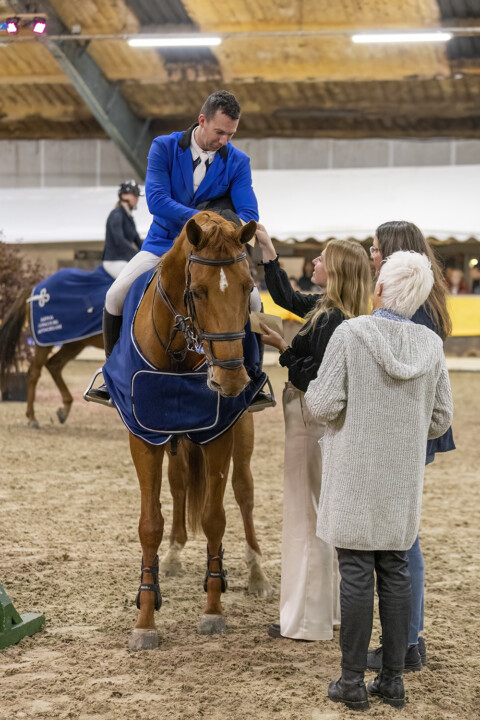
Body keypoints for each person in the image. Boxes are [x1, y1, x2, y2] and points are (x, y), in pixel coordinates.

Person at [305, 250, 453, 710]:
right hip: (400, 481)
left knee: (354, 573)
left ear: (381, 289)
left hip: (353, 474)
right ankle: (392, 680)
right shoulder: (431, 346)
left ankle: (351, 681)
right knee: (395, 569)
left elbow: (323, 405)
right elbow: (442, 417)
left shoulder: (352, 334)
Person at [86, 90, 272, 408]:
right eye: (220, 132)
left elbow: (249, 213)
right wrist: (205, 219)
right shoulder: (165, 147)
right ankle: (112, 375)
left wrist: (229, 229)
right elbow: (157, 201)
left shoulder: (238, 161)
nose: (225, 140)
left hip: (215, 254)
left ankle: (253, 378)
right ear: (202, 121)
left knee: (253, 301)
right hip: (163, 245)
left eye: (231, 134)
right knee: (115, 296)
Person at [255, 224, 371, 641]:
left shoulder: (334, 319)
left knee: (307, 518)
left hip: (309, 418)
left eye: (322, 259)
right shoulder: (331, 309)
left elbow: (316, 377)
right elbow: (286, 297)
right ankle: (328, 612)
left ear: (336, 271)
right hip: (313, 420)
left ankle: (306, 620)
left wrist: (282, 350)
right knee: (321, 514)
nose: (315, 262)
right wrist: (268, 253)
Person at [367, 221, 455, 674]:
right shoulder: (428, 304)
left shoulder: (411, 312)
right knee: (405, 535)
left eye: (377, 248)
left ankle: (408, 641)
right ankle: (409, 639)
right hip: (416, 430)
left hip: (404, 432)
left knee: (404, 540)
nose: (372, 254)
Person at [102, 180, 143, 279]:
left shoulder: (129, 217)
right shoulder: (116, 215)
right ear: (124, 196)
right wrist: (137, 255)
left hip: (125, 259)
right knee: (134, 279)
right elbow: (119, 241)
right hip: (114, 261)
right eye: (135, 195)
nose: (137, 199)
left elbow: (138, 241)